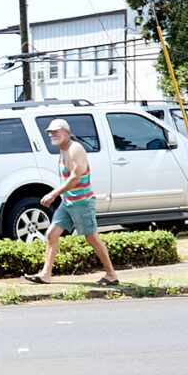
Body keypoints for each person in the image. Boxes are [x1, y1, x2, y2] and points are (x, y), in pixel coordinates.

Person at [32, 119, 117, 287]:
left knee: (91, 237)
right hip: (68, 201)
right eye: (50, 132)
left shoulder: (75, 149)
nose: (52, 135)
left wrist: (54, 194)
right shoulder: (63, 149)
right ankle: (46, 274)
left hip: (82, 202)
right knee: (52, 234)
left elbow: (75, 178)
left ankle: (111, 275)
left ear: (65, 132)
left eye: (55, 131)